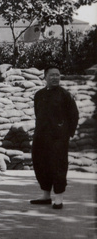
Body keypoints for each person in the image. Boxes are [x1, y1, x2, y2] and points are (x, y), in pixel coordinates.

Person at [30, 65, 79, 210]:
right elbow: (37, 114)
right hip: (41, 137)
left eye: (57, 75)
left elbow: (74, 116)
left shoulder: (65, 95)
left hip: (58, 139)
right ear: (45, 77)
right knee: (41, 165)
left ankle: (58, 199)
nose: (55, 77)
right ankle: (46, 196)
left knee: (58, 166)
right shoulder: (39, 95)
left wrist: (66, 134)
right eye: (52, 75)